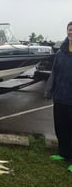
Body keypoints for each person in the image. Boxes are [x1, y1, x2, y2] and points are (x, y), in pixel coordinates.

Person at [44, 21, 72, 171]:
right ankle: (64, 153)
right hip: (60, 97)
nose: (71, 32)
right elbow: (54, 73)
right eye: (69, 30)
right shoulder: (61, 52)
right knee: (61, 127)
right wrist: (49, 91)